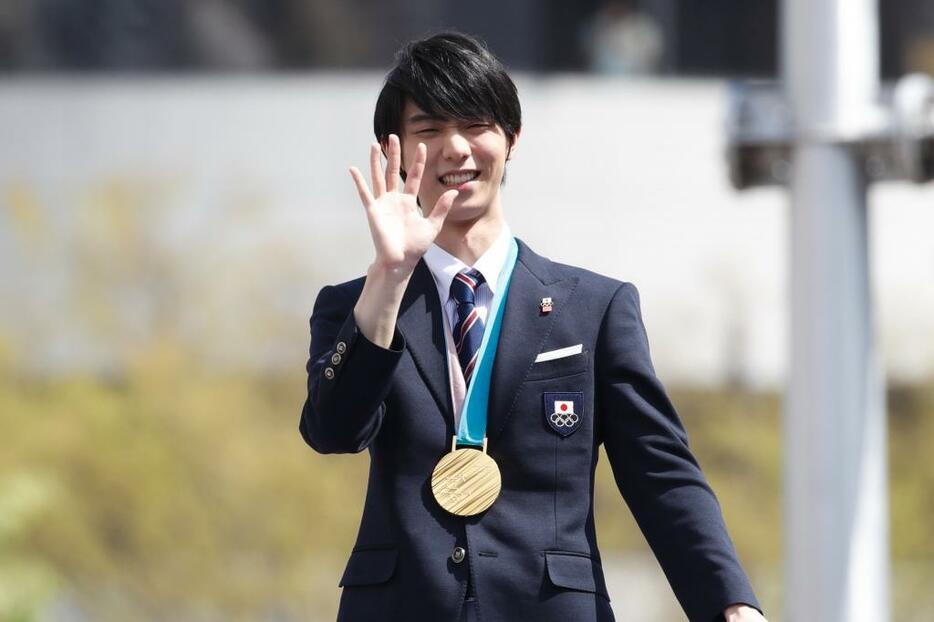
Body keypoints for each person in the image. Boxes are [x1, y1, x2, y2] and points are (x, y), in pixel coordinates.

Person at [300, 31, 767, 622]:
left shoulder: (594, 309)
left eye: (476, 125)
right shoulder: (358, 305)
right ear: (395, 151)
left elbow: (660, 471)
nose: (455, 149)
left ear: (511, 139)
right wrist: (389, 276)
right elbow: (334, 429)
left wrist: (730, 601)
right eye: (429, 130)